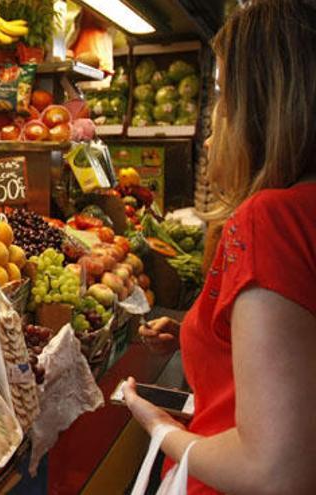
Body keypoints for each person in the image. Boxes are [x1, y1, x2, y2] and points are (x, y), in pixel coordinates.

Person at [123, 1, 316, 493]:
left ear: (260, 107)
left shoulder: (271, 219)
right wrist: (203, 331)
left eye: (221, 98)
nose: (210, 136)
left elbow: (272, 470)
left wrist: (158, 427)